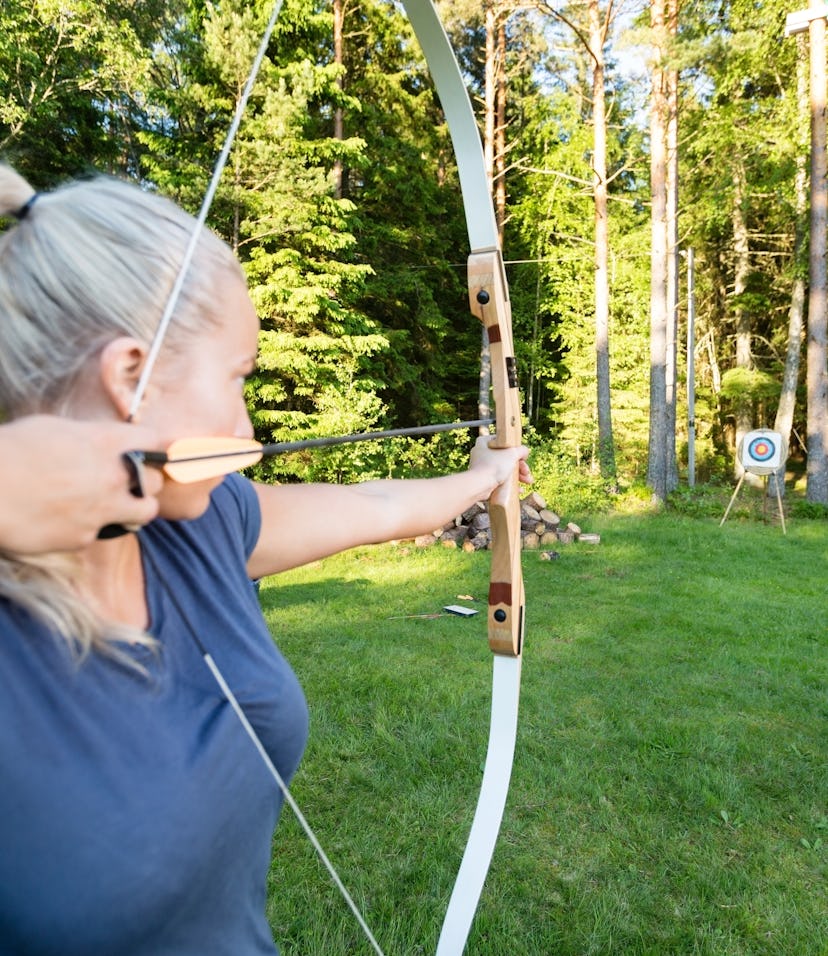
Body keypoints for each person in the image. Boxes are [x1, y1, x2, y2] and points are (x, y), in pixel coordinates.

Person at [0, 163, 531, 955]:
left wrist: (485, 476)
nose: (248, 415)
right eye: (239, 376)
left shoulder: (200, 522)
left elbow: (375, 507)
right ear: (130, 378)